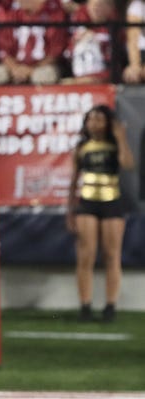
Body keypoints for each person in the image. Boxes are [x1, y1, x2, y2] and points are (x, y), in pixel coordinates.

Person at [66, 105, 134, 322]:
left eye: (99, 119)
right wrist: (70, 212)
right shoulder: (81, 147)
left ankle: (110, 306)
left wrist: (121, 137)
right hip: (87, 203)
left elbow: (128, 164)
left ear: (108, 123)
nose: (94, 123)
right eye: (90, 119)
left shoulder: (115, 146)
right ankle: (85, 306)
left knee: (112, 255)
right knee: (86, 255)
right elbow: (73, 181)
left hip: (112, 202)